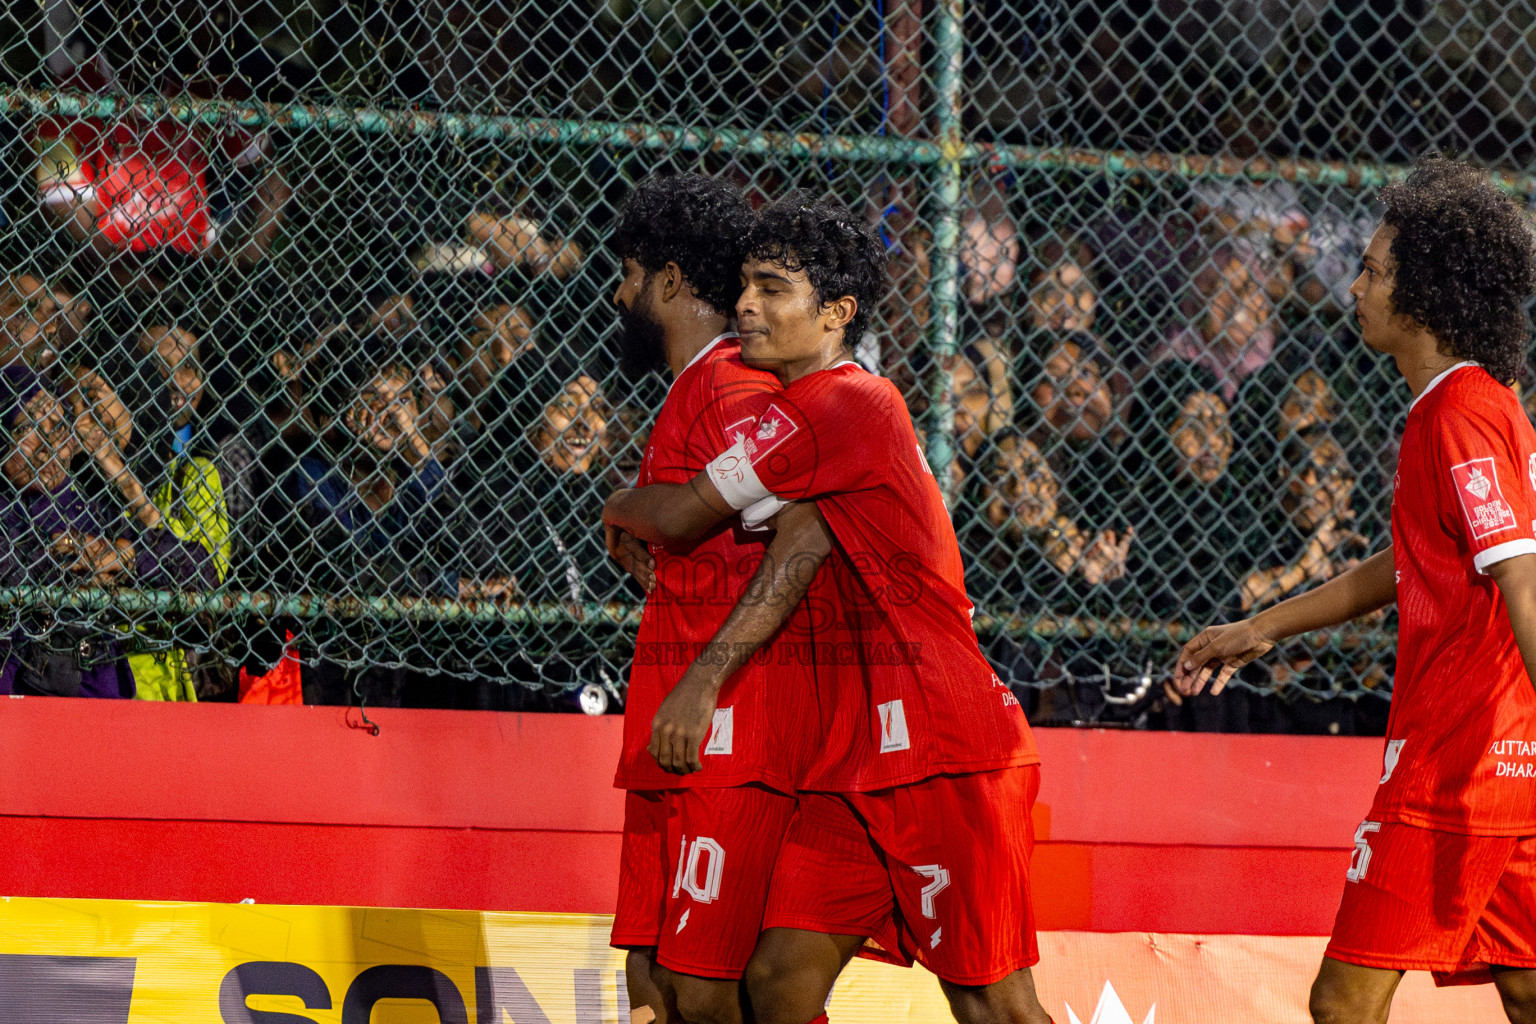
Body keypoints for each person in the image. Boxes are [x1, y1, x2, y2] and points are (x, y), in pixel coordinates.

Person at [604, 193, 1051, 1024]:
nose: (746, 305)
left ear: (837, 313)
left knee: (995, 1004)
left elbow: (700, 523)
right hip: (853, 756)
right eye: (744, 285)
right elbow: (794, 546)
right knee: (777, 982)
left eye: (773, 289)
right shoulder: (796, 414)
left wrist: (699, 677)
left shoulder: (850, 403)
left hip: (942, 740)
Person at [1173, 157, 1536, 1024]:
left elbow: (1522, 576)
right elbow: (1409, 562)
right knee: (1526, 989)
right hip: (1508, 761)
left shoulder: (1458, 414)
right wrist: (1263, 625)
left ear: (1425, 297)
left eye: (1373, 270)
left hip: (1454, 766)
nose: (1356, 285)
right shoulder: (1474, 404)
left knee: (1342, 1002)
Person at [599, 172, 829, 1024]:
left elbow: (806, 536)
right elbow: (723, 538)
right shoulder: (697, 387)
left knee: (705, 987)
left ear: (665, 280)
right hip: (676, 733)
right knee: (654, 984)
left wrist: (706, 678)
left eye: (626, 272)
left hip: (727, 730)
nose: (617, 292)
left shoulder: (731, 382)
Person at [0, 366, 217, 698]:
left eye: (58, 427)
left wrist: (125, 558)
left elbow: (199, 570)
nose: (47, 444)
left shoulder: (90, 507)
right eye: (28, 426)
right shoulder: (8, 508)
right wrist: (69, 554)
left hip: (100, 697)